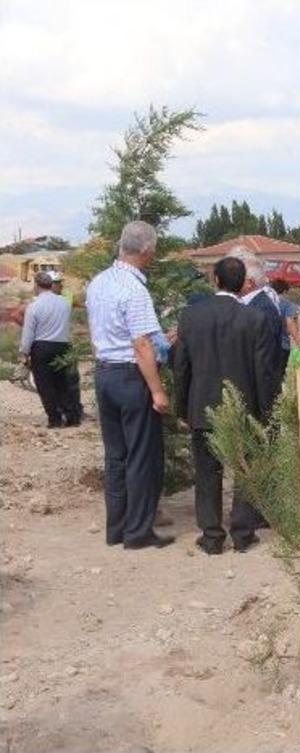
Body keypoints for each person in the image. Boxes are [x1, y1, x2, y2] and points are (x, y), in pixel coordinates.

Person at [174, 257, 278, 554]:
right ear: (243, 282)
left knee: (207, 472)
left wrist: (183, 409)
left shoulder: (191, 317)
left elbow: (182, 367)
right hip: (243, 409)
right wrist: (265, 414)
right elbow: (264, 372)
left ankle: (212, 536)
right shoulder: (254, 319)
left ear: (215, 280)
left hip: (203, 407)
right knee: (245, 469)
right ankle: (243, 533)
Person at [84, 221, 173, 549]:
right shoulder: (135, 289)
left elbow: (98, 335)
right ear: (147, 251)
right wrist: (157, 390)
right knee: (141, 455)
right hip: (130, 376)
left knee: (116, 456)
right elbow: (142, 345)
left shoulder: (98, 283)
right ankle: (138, 532)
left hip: (104, 372)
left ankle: (116, 527)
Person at [19, 271, 77, 428]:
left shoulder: (34, 306)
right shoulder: (64, 303)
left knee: (45, 385)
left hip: (42, 347)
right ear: (51, 285)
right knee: (62, 382)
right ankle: (72, 416)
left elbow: (28, 333)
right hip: (63, 345)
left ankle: (55, 419)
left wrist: (24, 353)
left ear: (36, 286)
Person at [229, 250, 286, 389]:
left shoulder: (261, 309)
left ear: (249, 282)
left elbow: (265, 357)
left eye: (238, 277)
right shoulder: (254, 304)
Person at [50, 274, 85, 425]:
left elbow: (72, 303)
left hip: (66, 342)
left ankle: (76, 410)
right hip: (53, 343)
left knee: (71, 378)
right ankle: (63, 410)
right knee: (58, 380)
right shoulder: (44, 299)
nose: (60, 285)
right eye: (56, 283)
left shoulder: (66, 296)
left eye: (59, 282)